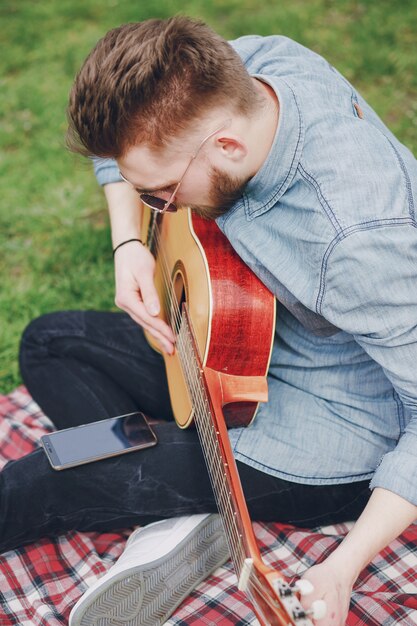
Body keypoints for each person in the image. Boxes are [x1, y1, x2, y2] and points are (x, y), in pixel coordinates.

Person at [8, 13, 417, 626]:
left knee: (49, 470)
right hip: (235, 339)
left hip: (324, 433)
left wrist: (343, 564)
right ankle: (170, 498)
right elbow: (127, 150)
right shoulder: (259, 70)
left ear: (226, 146)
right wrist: (130, 247)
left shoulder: (355, 245)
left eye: (162, 194)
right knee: (50, 342)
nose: (154, 204)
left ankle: (147, 481)